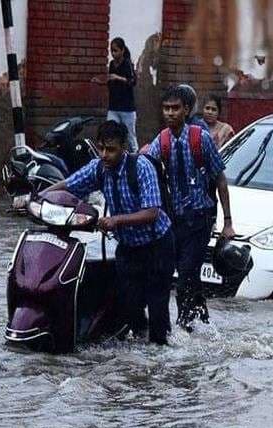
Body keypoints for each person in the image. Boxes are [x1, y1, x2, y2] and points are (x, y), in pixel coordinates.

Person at [43, 120, 175, 345]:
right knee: (129, 306)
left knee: (157, 307)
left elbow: (152, 212)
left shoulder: (142, 167)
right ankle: (143, 346)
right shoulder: (98, 167)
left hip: (157, 246)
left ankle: (161, 352)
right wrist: (37, 197)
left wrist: (116, 221)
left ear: (124, 147)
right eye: (102, 148)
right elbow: (70, 184)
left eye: (111, 149)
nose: (105, 155)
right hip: (128, 247)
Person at [144, 85, 235, 332]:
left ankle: (183, 327)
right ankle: (202, 319)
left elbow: (220, 179)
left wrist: (227, 222)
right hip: (176, 221)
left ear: (186, 110)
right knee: (186, 274)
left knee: (184, 274)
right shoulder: (161, 140)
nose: (170, 113)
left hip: (200, 218)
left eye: (175, 108)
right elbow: (146, 168)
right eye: (166, 108)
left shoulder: (200, 137)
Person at [92, 37, 138, 152]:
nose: (113, 53)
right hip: (114, 106)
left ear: (122, 50)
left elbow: (132, 81)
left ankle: (136, 157)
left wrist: (119, 78)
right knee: (109, 133)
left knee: (130, 136)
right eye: (111, 51)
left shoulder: (127, 64)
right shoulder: (112, 64)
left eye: (116, 50)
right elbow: (111, 82)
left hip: (127, 108)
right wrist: (101, 82)